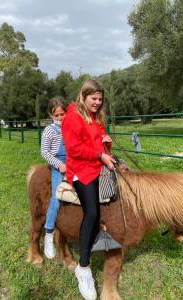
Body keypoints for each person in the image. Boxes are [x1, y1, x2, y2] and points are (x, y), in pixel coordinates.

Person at [62, 79, 115, 300]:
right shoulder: (73, 117)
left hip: (97, 163)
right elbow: (74, 149)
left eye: (100, 99)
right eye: (94, 98)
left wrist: (106, 145)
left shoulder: (97, 117)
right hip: (81, 169)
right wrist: (99, 155)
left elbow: (97, 144)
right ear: (83, 96)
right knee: (92, 213)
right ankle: (83, 269)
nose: (97, 102)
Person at [41, 97, 67, 259]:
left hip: (74, 163)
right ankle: (49, 233)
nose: (59, 118)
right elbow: (45, 152)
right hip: (59, 165)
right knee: (57, 198)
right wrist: (58, 165)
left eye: (62, 114)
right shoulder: (49, 131)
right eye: (56, 115)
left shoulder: (70, 127)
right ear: (51, 115)